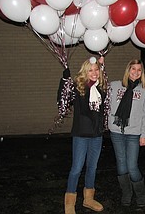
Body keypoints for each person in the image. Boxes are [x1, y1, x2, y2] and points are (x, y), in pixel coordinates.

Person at [108, 59, 145, 207]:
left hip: (134, 133)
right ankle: (126, 193)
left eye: (139, 70)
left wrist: (144, 134)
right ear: (128, 70)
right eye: (132, 69)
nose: (135, 72)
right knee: (121, 166)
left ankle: (141, 195)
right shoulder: (115, 86)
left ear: (141, 73)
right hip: (116, 131)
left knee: (132, 166)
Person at [64, 56, 107, 214]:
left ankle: (88, 199)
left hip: (96, 134)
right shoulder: (78, 87)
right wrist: (64, 78)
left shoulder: (101, 88)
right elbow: (62, 99)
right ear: (85, 71)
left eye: (96, 70)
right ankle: (69, 202)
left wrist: (101, 66)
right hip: (81, 134)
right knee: (76, 168)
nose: (94, 73)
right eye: (90, 70)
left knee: (92, 167)